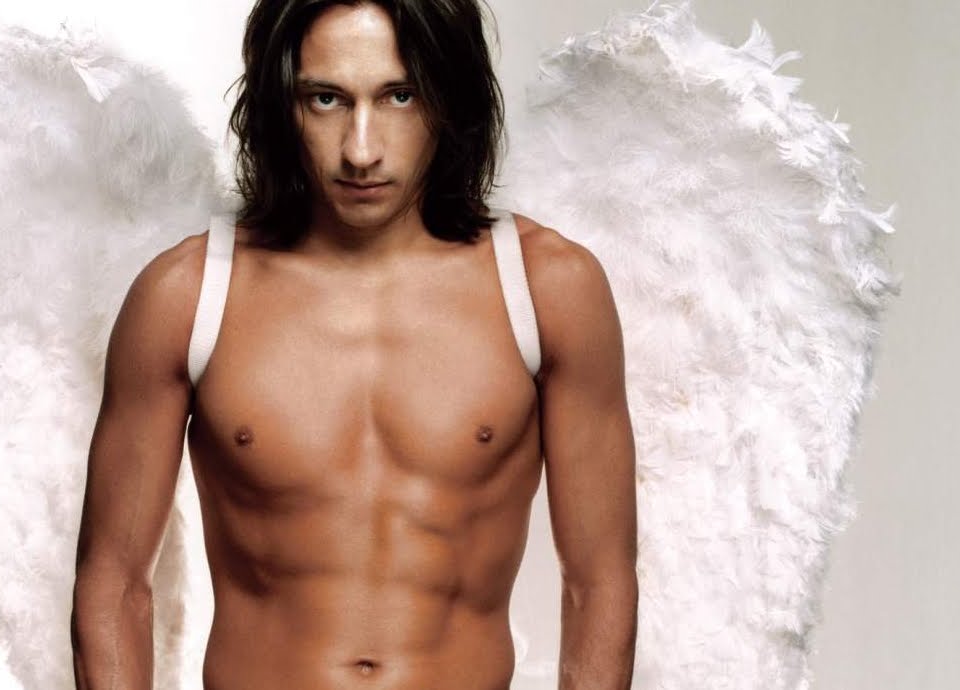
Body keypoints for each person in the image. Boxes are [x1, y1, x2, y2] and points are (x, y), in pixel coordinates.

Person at [70, 0, 637, 688]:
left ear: (449, 98)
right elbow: (114, 582)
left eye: (399, 95)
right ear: (282, 104)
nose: (360, 151)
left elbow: (597, 583)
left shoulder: (549, 290)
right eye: (327, 98)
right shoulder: (185, 296)